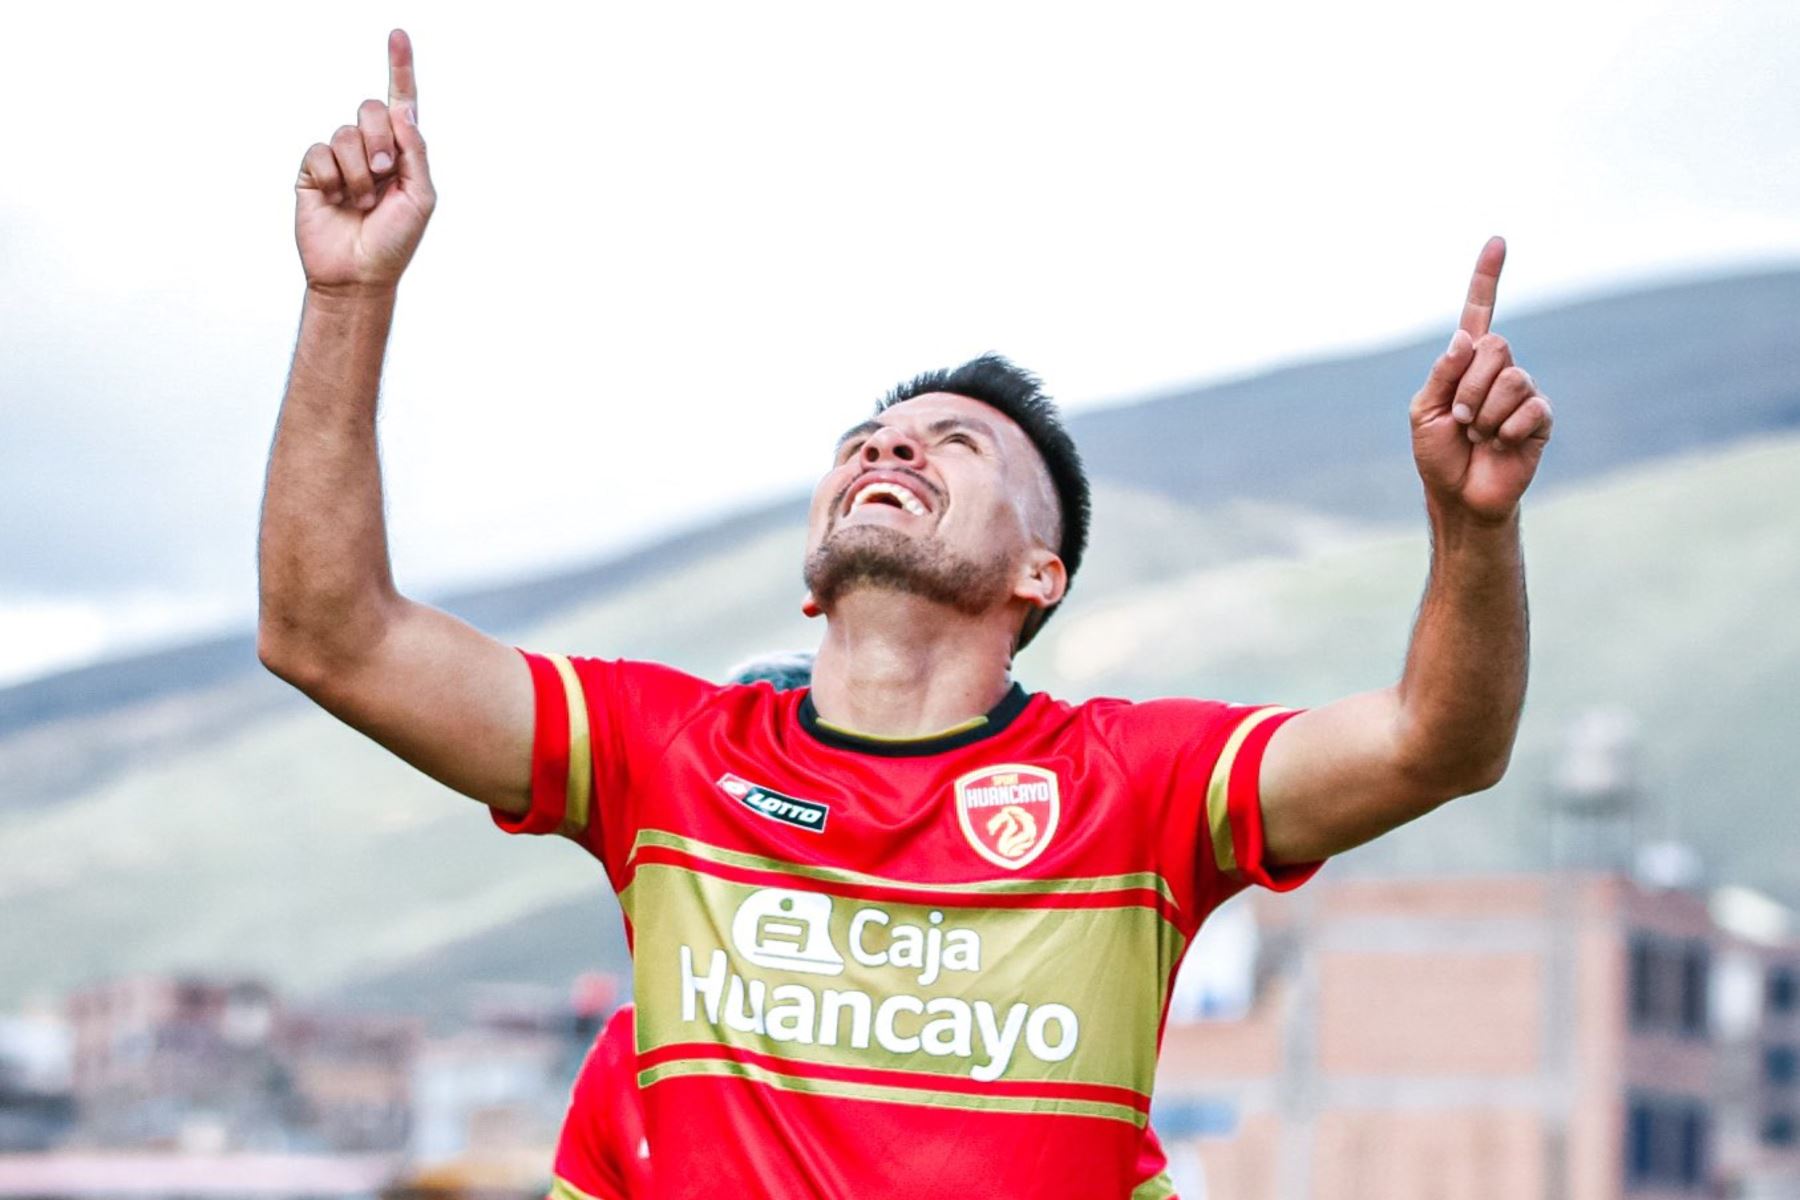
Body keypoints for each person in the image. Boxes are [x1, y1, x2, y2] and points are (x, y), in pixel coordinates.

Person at [260, 30, 1553, 1200]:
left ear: (1037, 575)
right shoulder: (667, 753)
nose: (893, 448)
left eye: (955, 445)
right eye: (868, 440)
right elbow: (330, 634)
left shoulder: (1141, 785)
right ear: (812, 573)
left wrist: (1474, 528)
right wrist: (346, 298)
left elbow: (1435, 743)